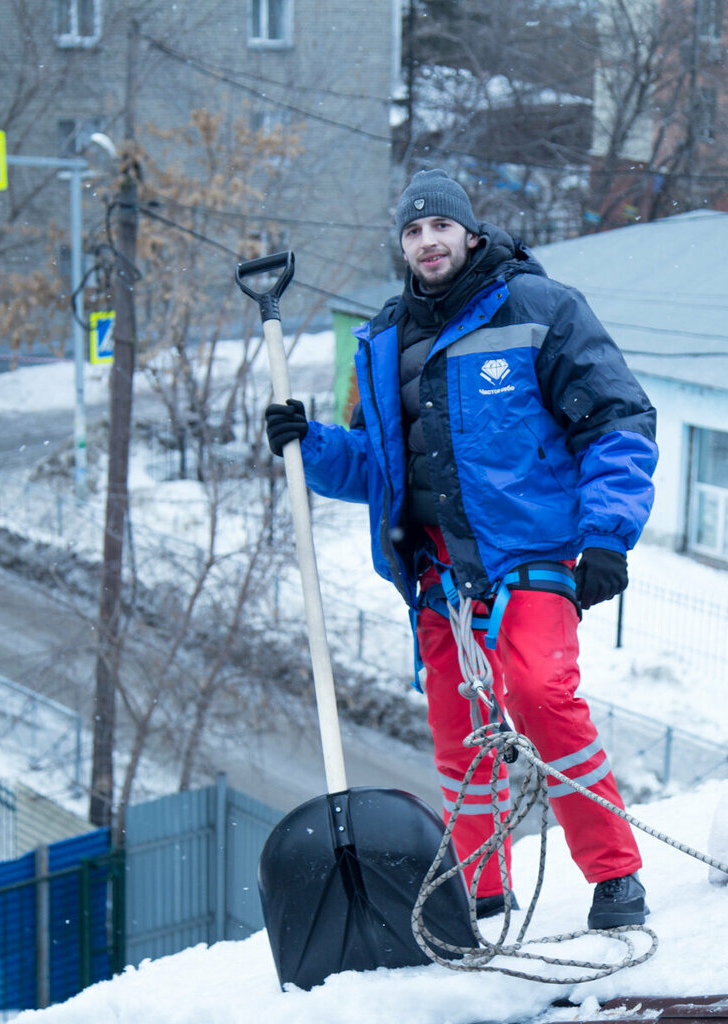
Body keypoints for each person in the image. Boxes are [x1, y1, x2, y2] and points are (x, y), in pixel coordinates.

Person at [265, 168, 659, 930]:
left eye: (439, 227)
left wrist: (608, 534)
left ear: (469, 233)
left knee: (543, 695)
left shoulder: (542, 311)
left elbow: (617, 422)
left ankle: (615, 876)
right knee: (459, 732)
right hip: (437, 574)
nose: (427, 242)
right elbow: (379, 468)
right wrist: (306, 444)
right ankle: (483, 886)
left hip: (527, 555)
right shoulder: (380, 341)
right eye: (412, 231)